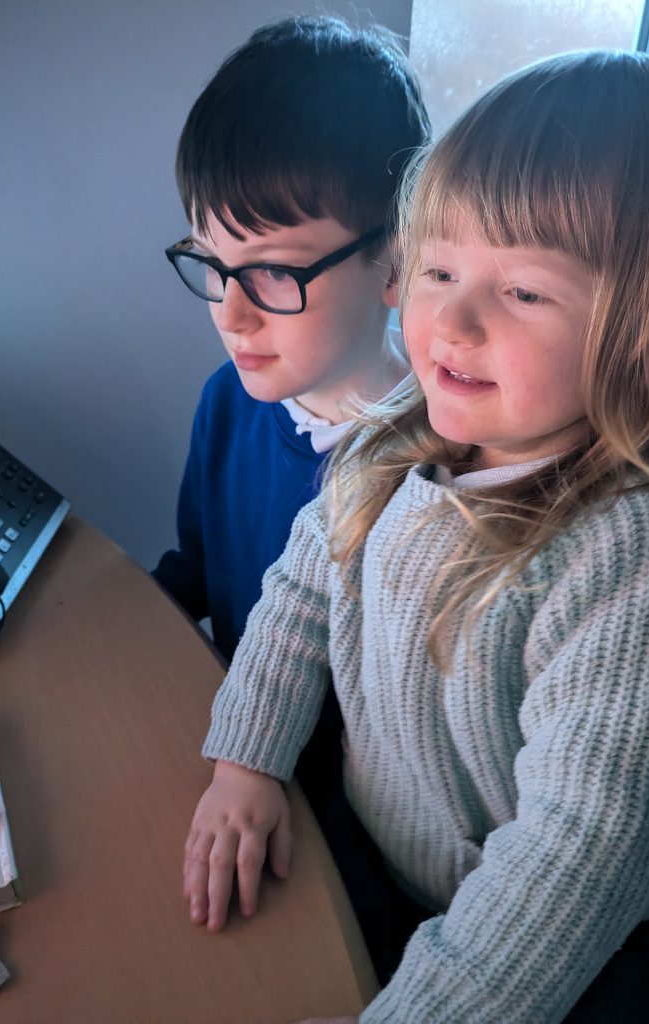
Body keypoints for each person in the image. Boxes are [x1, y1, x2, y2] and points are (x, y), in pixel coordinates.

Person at [183, 49, 649, 1023]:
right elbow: (301, 591)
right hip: (384, 856)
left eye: (521, 292)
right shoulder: (402, 433)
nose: (447, 318)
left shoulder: (643, 552)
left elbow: (574, 855)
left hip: (560, 946)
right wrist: (246, 760)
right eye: (439, 267)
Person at [152, 16, 430, 662]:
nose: (230, 314)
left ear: (394, 266)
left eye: (274, 272)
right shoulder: (227, 401)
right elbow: (200, 568)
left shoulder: (434, 474)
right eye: (210, 263)